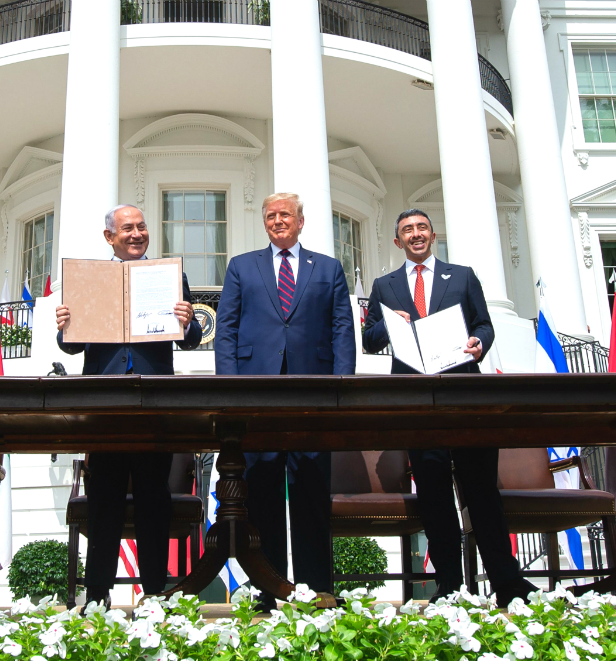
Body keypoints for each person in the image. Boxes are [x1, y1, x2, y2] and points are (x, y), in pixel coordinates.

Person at [362, 208, 536, 606]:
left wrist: (480, 343)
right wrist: (389, 325)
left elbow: (484, 325)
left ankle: (507, 583)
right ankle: (450, 587)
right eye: (407, 230)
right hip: (416, 405)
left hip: (464, 398)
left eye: (421, 227)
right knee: (435, 497)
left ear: (433, 234)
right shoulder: (384, 286)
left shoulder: (462, 276)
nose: (416, 234)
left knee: (481, 491)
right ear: (397, 241)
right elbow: (370, 339)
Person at [55, 204, 202, 605]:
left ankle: (155, 593)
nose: (136, 234)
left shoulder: (170, 276)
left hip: (154, 406)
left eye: (141, 226)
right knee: (105, 503)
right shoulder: (90, 279)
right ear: (110, 237)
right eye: (127, 228)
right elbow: (70, 345)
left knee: (155, 500)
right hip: (105, 409)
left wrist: (187, 320)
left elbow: (188, 338)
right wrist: (66, 324)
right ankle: (97, 596)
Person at [214, 192, 356, 610]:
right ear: (265, 222)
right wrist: (231, 389)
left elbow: (341, 329)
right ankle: (268, 590)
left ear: (300, 221)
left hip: (312, 395)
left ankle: (317, 590)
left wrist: (340, 386)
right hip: (257, 396)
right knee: (262, 495)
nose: (278, 221)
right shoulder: (242, 266)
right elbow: (227, 330)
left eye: (285, 215)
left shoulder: (327, 268)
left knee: (312, 491)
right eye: (271, 215)